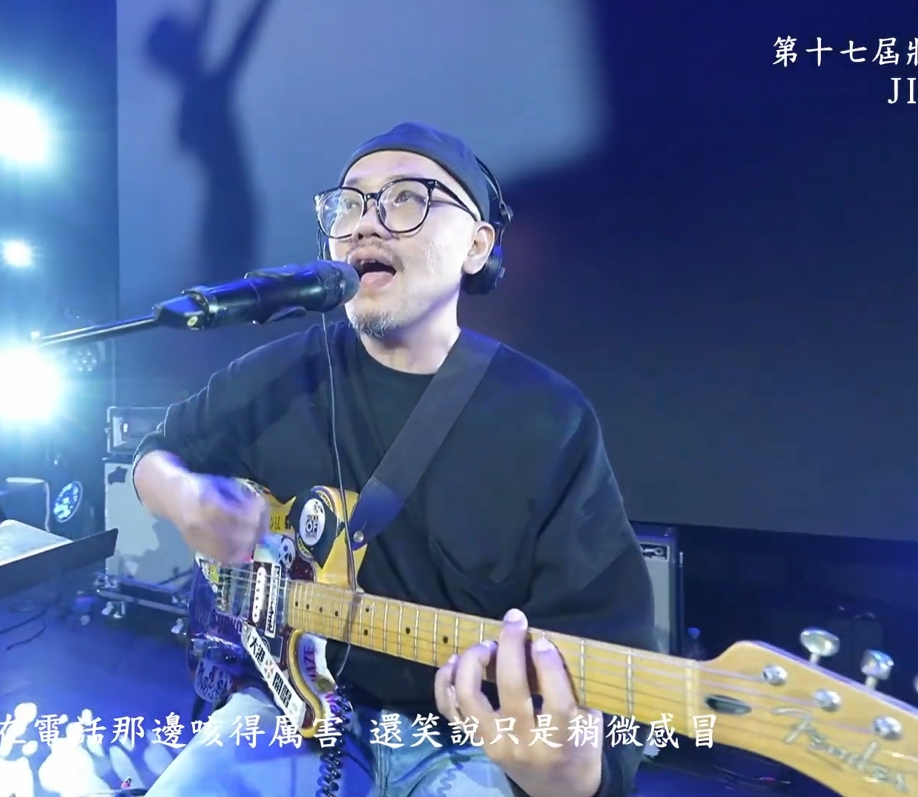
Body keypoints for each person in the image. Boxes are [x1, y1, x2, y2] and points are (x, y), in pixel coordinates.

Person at [133, 123, 657, 797]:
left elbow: (611, 646)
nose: (364, 224)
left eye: (406, 198)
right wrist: (185, 499)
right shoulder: (277, 374)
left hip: (471, 740)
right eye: (348, 204)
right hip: (286, 707)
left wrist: (574, 775)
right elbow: (156, 454)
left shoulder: (549, 417)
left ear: (477, 246)